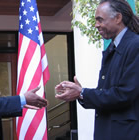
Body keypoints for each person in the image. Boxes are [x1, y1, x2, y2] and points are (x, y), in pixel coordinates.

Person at [55, 0, 139, 140]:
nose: (96, 25)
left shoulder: (134, 46)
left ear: (118, 18)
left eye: (100, 20)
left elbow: (124, 94)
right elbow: (106, 93)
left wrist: (82, 93)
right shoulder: (113, 48)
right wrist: (79, 93)